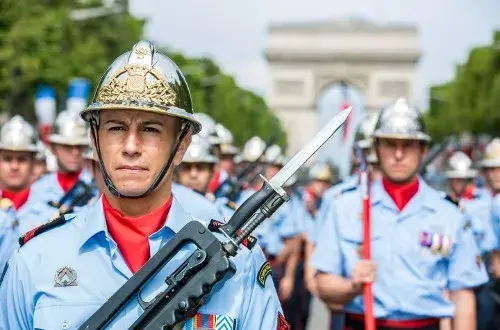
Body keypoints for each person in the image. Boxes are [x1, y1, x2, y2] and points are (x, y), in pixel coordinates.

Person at [0, 40, 285, 329]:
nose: (131, 146)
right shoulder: (35, 260)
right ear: (94, 141)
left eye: (150, 129)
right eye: (116, 128)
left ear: (182, 144)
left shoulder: (239, 264)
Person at [312, 98, 488, 330]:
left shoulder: (450, 214)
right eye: (389, 144)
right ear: (376, 149)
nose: (398, 154)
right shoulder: (344, 207)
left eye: (408, 145)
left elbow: (462, 296)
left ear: (423, 150)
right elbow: (323, 284)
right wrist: (353, 286)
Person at [0, 116, 41, 272]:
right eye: (7, 159)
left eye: (22, 159)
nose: (14, 166)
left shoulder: (52, 210)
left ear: (33, 162)